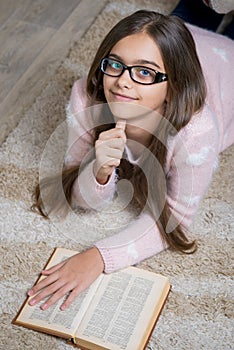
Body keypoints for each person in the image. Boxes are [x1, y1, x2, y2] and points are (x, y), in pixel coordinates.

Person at [28, 10, 234, 311]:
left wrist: (98, 257)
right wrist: (99, 170)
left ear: (172, 87)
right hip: (185, 37)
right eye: (115, 65)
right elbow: (78, 195)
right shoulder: (86, 100)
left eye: (145, 72)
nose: (122, 82)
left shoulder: (197, 132)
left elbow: (174, 219)